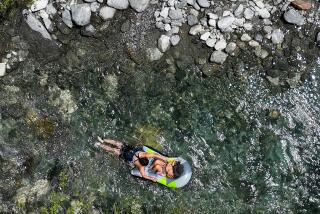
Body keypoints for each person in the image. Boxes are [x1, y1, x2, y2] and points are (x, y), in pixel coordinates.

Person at [95, 137, 169, 182]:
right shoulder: (141, 167)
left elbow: (154, 155)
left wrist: (163, 158)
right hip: (127, 156)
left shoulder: (145, 155)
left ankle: (102, 140)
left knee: (117, 143)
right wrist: (151, 178)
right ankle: (100, 145)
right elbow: (143, 175)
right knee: (113, 150)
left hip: (131, 149)